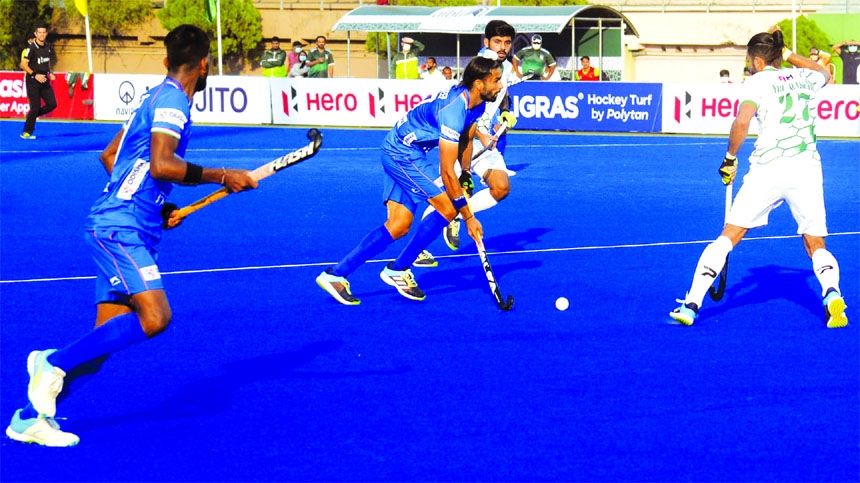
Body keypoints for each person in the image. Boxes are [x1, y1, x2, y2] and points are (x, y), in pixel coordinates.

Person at [4, 24, 258, 447]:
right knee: (156, 318)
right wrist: (222, 175)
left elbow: (110, 156)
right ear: (204, 64)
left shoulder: (153, 96)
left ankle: (30, 418)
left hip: (122, 222)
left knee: (102, 343)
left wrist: (160, 207)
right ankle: (50, 362)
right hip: (120, 229)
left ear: (165, 61)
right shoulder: (174, 100)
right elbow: (162, 164)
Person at [669, 29, 847, 329]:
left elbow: (742, 120)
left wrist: (729, 158)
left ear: (758, 61)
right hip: (806, 169)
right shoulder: (804, 77)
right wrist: (790, 54)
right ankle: (831, 294)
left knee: (730, 235)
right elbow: (823, 72)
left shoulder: (756, 82)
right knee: (815, 242)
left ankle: (691, 304)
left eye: (749, 60)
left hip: (768, 169)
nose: (748, 65)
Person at [315, 56, 503, 305]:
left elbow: (466, 140)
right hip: (402, 154)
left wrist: (466, 173)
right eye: (496, 81)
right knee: (447, 208)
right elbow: (447, 171)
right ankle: (399, 269)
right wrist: (468, 217)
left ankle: (335, 275)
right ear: (479, 84)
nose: (500, 86)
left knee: (399, 225)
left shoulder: (476, 104)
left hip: (403, 149)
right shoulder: (454, 110)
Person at [415, 20, 519, 266]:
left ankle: (459, 217)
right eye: (497, 42)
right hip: (466, 138)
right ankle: (419, 247)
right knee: (454, 193)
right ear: (486, 43)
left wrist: (505, 111)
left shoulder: (505, 68)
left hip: (485, 141)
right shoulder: (483, 62)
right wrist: (480, 134)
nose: (502, 47)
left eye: (506, 42)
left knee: (501, 188)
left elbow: (500, 95)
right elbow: (470, 104)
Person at [19, 25, 56, 139]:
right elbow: (23, 65)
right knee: (35, 107)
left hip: (44, 80)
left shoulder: (48, 46)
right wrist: (35, 75)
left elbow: (46, 62)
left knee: (52, 104)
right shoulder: (32, 48)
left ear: (46, 34)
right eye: (39, 32)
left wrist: (49, 72)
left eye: (44, 32)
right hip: (33, 81)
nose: (42, 34)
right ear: (36, 34)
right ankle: (26, 132)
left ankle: (31, 116)